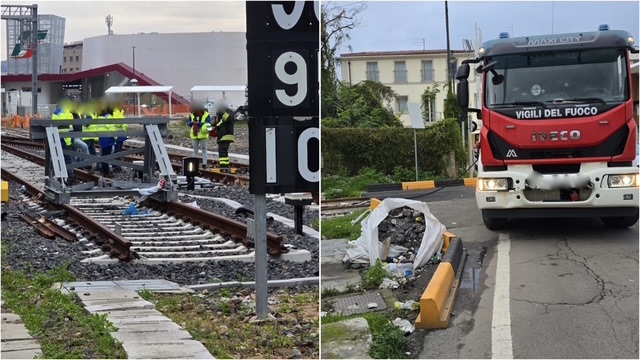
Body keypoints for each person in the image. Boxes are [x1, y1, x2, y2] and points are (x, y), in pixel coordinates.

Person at [51, 97, 76, 185]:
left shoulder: (59, 112)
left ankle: (58, 177)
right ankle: (69, 177)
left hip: (63, 140)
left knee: (59, 159)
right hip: (64, 140)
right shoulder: (64, 112)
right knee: (67, 159)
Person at [212, 98, 236, 173]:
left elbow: (226, 119)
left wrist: (221, 112)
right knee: (224, 152)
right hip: (223, 135)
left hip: (225, 135)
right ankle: (225, 165)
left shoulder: (229, 113)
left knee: (222, 151)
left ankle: (223, 166)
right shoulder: (224, 113)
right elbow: (218, 123)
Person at [188, 100, 212, 169]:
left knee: (204, 149)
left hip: (203, 134)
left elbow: (208, 123)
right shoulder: (192, 114)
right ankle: (195, 164)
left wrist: (199, 124)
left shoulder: (206, 114)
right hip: (195, 134)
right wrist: (192, 123)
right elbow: (189, 123)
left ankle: (204, 164)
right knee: (195, 150)